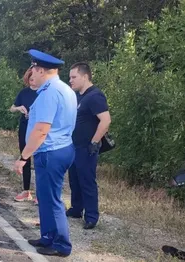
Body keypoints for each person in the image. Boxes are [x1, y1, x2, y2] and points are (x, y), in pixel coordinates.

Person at [14, 49, 77, 257]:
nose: (31, 75)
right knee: (44, 195)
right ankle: (47, 236)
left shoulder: (50, 93)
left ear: (40, 70)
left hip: (51, 151)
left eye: (33, 70)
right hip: (61, 148)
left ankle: (61, 245)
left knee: (52, 198)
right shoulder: (65, 89)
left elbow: (41, 130)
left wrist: (24, 157)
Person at [66, 62, 111, 230]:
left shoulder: (95, 96)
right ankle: (76, 209)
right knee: (74, 179)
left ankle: (91, 216)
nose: (70, 80)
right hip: (74, 146)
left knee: (87, 181)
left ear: (85, 76)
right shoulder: (78, 96)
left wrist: (94, 142)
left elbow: (106, 120)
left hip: (87, 147)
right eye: (70, 77)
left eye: (73, 77)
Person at [9, 67, 38, 203]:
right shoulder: (24, 93)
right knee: (24, 157)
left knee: (39, 160)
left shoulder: (44, 93)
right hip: (24, 128)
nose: (32, 81)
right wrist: (18, 108)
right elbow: (12, 107)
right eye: (30, 79)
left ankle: (40, 193)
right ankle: (26, 190)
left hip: (38, 129)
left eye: (34, 78)